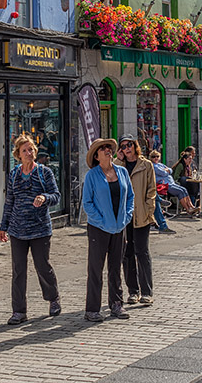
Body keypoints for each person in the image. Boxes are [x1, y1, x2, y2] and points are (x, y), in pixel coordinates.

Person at [0, 134, 61, 325]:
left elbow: (56, 195)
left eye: (31, 149)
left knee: (42, 266)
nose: (29, 153)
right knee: (18, 270)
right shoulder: (15, 174)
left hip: (40, 228)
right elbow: (10, 202)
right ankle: (19, 311)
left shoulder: (44, 172)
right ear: (18, 154)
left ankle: (53, 298)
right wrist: (3, 227)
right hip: (18, 229)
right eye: (25, 150)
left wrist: (44, 198)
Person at [82, 138, 134, 322]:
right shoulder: (92, 176)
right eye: (102, 149)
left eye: (108, 148)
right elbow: (87, 203)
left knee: (115, 267)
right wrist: (101, 221)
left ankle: (116, 304)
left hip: (119, 228)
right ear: (96, 156)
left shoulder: (122, 172)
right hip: (99, 229)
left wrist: (126, 217)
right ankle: (92, 309)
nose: (107, 150)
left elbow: (130, 197)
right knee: (95, 269)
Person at [115, 134, 156, 306]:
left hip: (142, 215)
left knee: (142, 252)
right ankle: (133, 291)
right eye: (123, 146)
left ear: (135, 145)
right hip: (125, 216)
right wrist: (117, 160)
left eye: (129, 144)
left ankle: (147, 292)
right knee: (127, 253)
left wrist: (148, 209)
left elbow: (151, 190)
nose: (127, 148)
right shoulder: (119, 166)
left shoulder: (145, 165)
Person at [151, 150, 197, 221]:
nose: (156, 158)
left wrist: (168, 170)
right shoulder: (153, 166)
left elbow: (170, 170)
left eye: (157, 156)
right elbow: (163, 173)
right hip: (164, 185)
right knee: (180, 191)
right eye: (154, 157)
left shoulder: (160, 165)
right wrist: (167, 171)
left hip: (171, 183)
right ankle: (188, 210)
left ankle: (191, 206)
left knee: (184, 189)